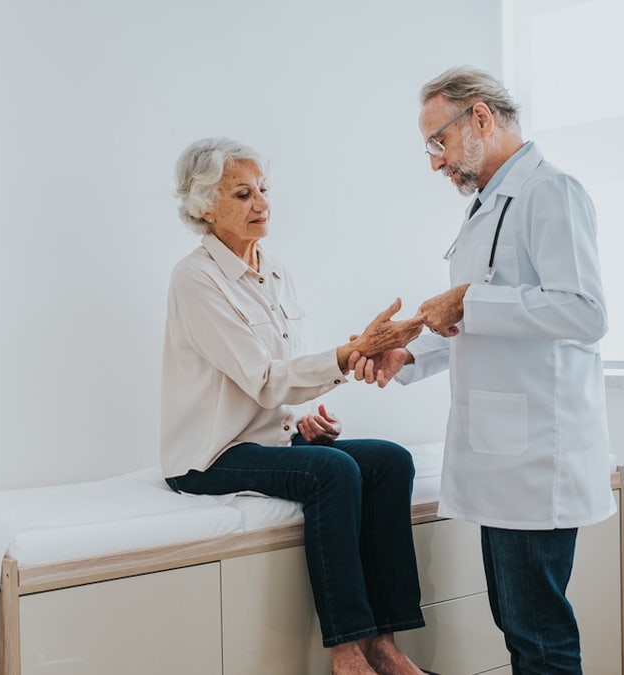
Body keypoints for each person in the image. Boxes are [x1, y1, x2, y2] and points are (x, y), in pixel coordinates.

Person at [351, 67, 615, 674]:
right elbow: (479, 326)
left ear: (480, 117)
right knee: (519, 626)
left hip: (535, 461)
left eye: (437, 142)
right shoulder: (487, 207)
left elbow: (585, 312)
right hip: (502, 459)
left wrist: (468, 299)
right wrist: (406, 355)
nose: (435, 162)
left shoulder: (552, 192)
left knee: (538, 636)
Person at [160, 137, 430, 675]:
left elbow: (275, 378)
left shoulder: (274, 271)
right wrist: (349, 352)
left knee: (390, 460)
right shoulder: (195, 279)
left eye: (263, 189)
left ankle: (386, 645)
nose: (261, 203)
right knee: (332, 472)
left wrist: (298, 418)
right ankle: (347, 653)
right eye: (243, 193)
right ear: (205, 206)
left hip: (270, 437)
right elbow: (262, 379)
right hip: (211, 454)